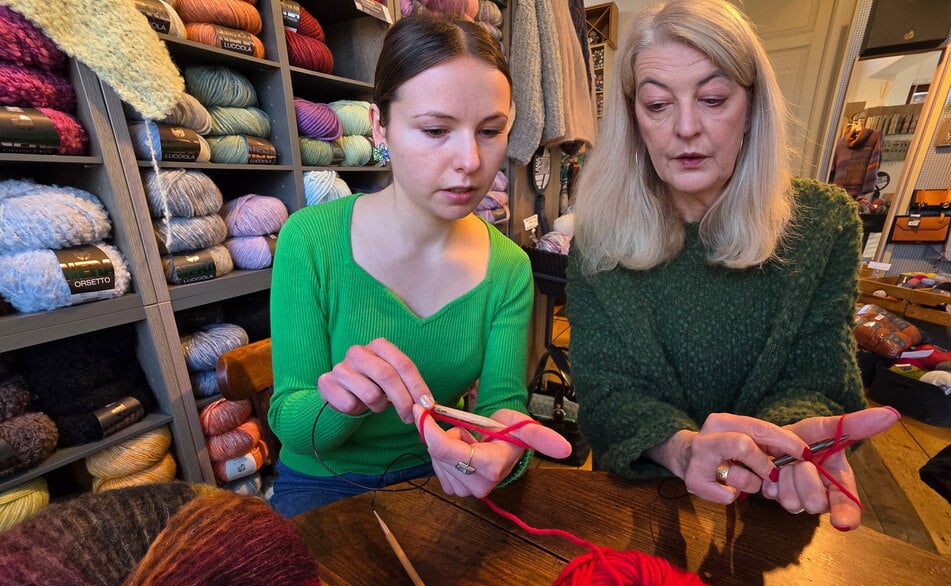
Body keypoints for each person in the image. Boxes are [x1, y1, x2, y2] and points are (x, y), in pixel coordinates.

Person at [566, 0, 899, 531]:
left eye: (713, 98)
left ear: (752, 107)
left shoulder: (822, 224)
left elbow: (818, 380)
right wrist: (681, 450)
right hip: (641, 511)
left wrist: (764, 449)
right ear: (634, 119)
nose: (686, 127)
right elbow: (606, 395)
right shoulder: (600, 239)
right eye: (657, 105)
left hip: (771, 504)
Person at [268, 15, 571, 517]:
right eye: (435, 130)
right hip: (324, 484)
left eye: (491, 130)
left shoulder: (509, 268)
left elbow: (503, 406)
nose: (470, 161)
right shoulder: (311, 240)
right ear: (379, 125)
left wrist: (501, 451)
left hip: (444, 475)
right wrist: (342, 400)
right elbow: (292, 423)